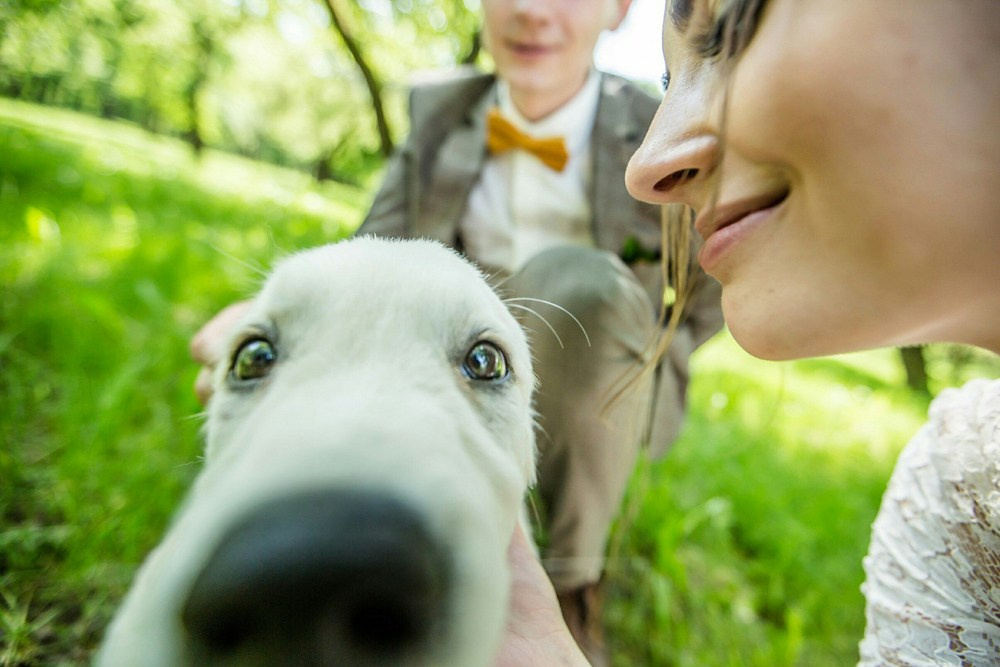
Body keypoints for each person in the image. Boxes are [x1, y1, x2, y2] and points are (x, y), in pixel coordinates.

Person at [191, 1, 722, 664]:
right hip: (450, 361)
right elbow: (367, 251)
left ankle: (568, 584)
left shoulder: (659, 127)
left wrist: (650, 354)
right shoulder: (439, 115)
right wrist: (266, 321)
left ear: (618, 11)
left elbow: (713, 281)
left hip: (601, 362)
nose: (532, 11)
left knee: (582, 284)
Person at [500, 0, 1000, 664]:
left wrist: (650, 343)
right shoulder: (949, 494)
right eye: (669, 77)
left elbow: (694, 297)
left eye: (732, 24)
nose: (648, 167)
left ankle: (574, 578)